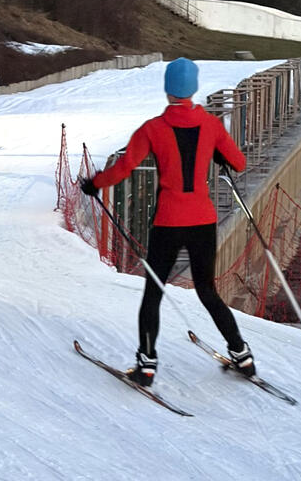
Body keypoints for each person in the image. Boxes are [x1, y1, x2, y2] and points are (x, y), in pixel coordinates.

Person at [81, 57, 254, 385]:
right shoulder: (212, 125)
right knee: (207, 290)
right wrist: (217, 153)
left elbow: (124, 168)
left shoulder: (152, 129)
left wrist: (95, 184)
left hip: (169, 223)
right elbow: (239, 163)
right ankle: (242, 355)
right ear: (194, 88)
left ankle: (146, 365)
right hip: (203, 221)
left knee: (154, 292)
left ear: (167, 89)